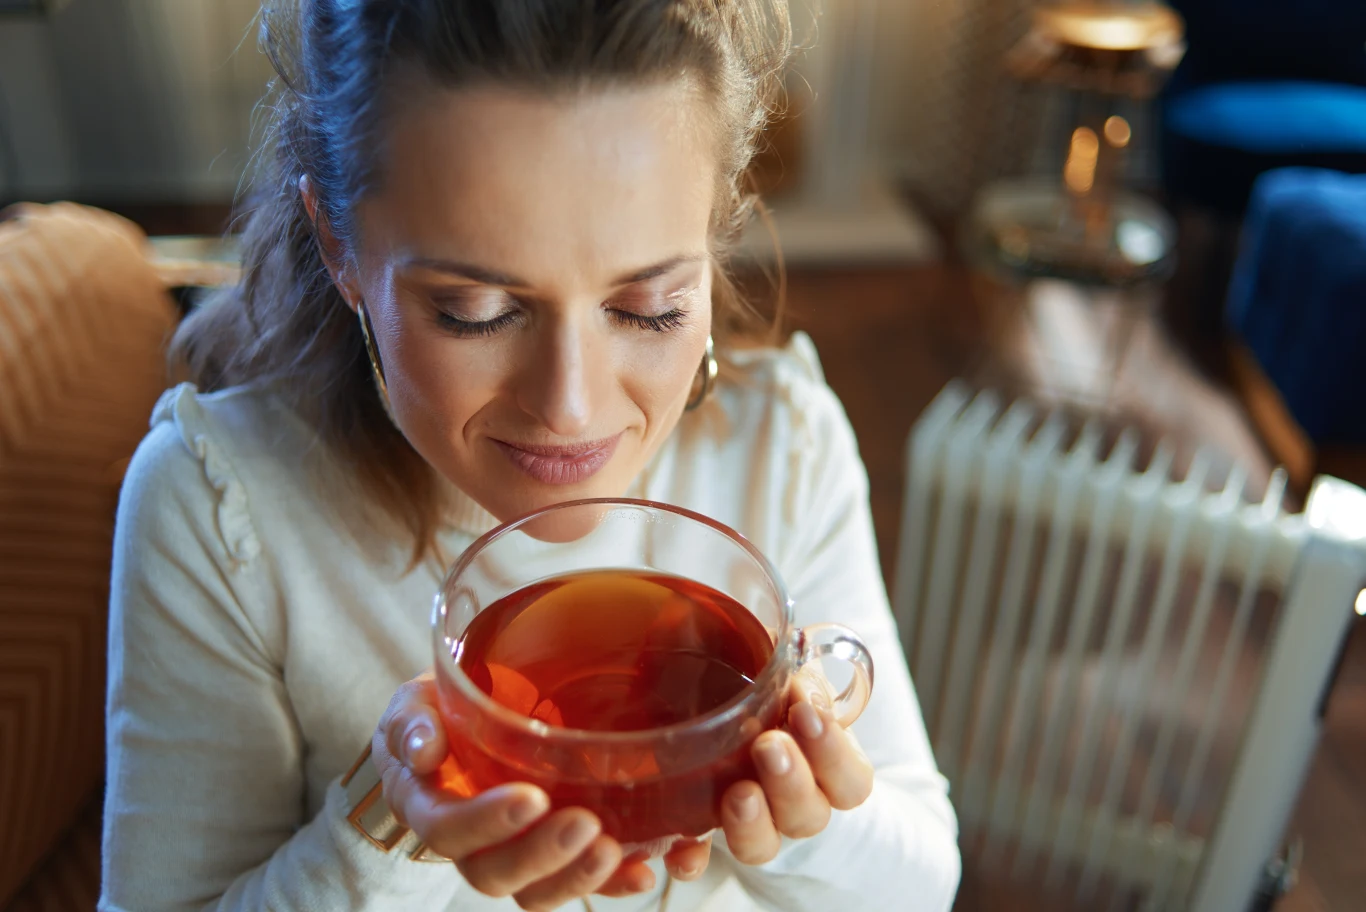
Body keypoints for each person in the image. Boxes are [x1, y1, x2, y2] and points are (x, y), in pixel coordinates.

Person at [101, 1, 961, 910]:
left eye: (650, 307)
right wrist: (385, 829)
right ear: (338, 245)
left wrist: (805, 815)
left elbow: (919, 879)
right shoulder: (217, 509)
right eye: (476, 313)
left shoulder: (783, 445)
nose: (571, 408)